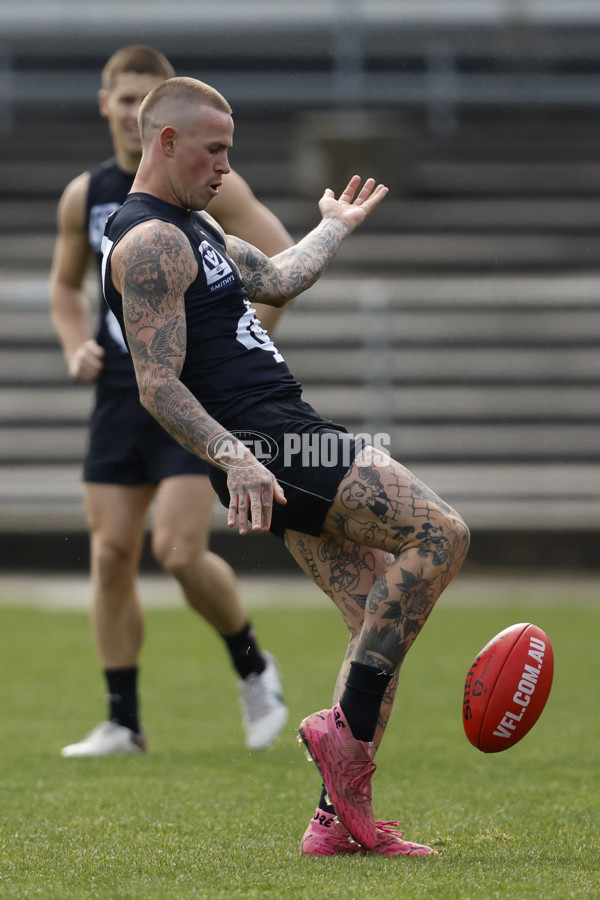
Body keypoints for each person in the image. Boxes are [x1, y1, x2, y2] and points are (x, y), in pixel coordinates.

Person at [102, 76, 470, 857]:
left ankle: (335, 821)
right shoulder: (151, 242)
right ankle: (341, 735)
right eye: (213, 151)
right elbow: (156, 382)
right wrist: (236, 458)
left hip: (278, 441)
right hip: (271, 443)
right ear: (164, 141)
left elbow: (280, 276)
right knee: (441, 534)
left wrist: (333, 226)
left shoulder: (197, 231)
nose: (225, 169)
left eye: (229, 152)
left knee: (376, 612)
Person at [49, 46, 293, 756]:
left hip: (189, 395)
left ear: (165, 120)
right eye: (122, 97)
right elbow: (66, 288)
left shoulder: (211, 186)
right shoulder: (85, 196)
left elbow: (276, 262)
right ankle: (123, 722)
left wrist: (233, 351)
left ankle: (253, 668)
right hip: (122, 395)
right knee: (111, 555)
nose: (132, 111)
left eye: (145, 98)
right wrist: (74, 343)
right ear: (106, 104)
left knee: (180, 552)